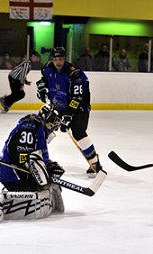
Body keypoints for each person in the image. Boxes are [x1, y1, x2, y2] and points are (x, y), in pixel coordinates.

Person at [0, 104, 65, 222]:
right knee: (40, 193)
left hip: (14, 172)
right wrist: (34, 167)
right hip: (13, 175)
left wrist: (46, 166)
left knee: (47, 185)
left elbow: (31, 155)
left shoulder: (33, 125)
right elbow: (17, 152)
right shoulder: (34, 127)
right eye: (53, 123)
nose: (53, 128)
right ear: (47, 118)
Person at [36, 47, 103, 178]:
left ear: (64, 58)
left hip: (79, 107)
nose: (58, 62)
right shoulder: (47, 68)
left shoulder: (74, 73)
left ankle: (95, 163)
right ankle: (40, 161)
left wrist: (68, 116)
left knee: (78, 131)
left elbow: (78, 97)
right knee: (42, 129)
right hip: (59, 106)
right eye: (55, 59)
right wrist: (42, 88)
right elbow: (43, 80)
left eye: (60, 59)